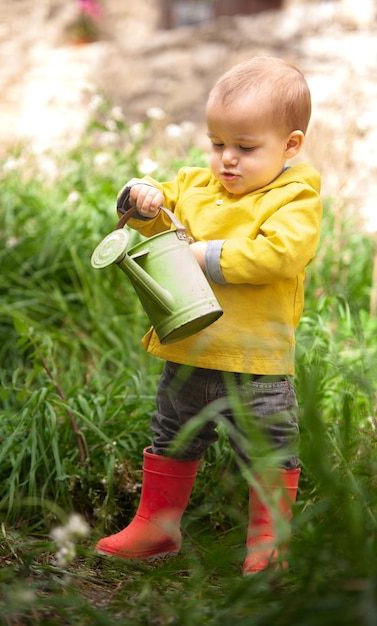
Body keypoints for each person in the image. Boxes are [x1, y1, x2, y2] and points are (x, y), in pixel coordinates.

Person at [95, 56, 322, 574]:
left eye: (245, 148)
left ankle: (270, 544)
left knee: (267, 446)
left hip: (257, 358)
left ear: (290, 146)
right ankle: (157, 526)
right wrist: (142, 198)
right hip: (191, 344)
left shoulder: (294, 196)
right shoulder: (195, 185)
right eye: (218, 143)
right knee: (173, 431)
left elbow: (281, 254)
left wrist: (206, 255)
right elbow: (154, 222)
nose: (227, 160)